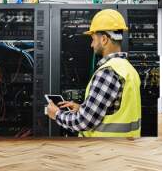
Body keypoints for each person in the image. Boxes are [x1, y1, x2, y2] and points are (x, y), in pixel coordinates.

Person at [46, 9, 142, 137]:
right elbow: (114, 110)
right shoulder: (128, 69)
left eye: (93, 39)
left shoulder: (108, 72)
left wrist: (57, 114)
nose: (91, 45)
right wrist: (82, 108)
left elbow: (84, 122)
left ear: (104, 39)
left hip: (104, 150)